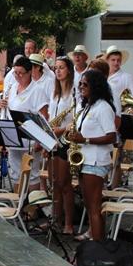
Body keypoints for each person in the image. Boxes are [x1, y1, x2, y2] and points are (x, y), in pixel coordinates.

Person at [66, 69, 116, 241]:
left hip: (95, 161)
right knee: (88, 204)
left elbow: (112, 136)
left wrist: (85, 139)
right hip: (85, 159)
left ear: (95, 86)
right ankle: (93, 235)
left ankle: (97, 245)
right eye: (80, 84)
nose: (81, 87)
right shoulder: (88, 106)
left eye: (85, 84)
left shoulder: (103, 107)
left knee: (94, 206)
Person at [0, 57, 48, 191]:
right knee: (15, 173)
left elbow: (44, 117)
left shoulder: (37, 90)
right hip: (13, 137)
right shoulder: (13, 87)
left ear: (29, 72)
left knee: (32, 174)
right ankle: (19, 201)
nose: (17, 76)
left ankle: (31, 203)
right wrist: (2, 104)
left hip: (30, 139)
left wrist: (40, 140)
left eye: (21, 73)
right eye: (15, 72)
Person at [48, 56, 76, 234]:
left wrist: (62, 129)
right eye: (56, 68)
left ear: (69, 71)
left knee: (65, 183)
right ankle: (56, 220)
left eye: (62, 68)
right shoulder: (55, 93)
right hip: (54, 141)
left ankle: (68, 224)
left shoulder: (73, 94)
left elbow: (76, 119)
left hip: (66, 140)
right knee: (55, 182)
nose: (58, 71)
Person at [105, 45, 133, 189]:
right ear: (107, 60)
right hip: (104, 118)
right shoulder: (103, 75)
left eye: (118, 60)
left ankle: (114, 187)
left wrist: (126, 110)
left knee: (116, 157)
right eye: (113, 60)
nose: (116, 63)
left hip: (118, 119)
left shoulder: (126, 77)